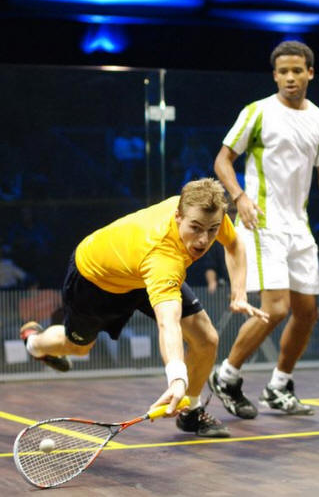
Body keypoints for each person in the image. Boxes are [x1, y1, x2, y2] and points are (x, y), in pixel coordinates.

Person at [20, 178, 268, 437]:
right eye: (195, 228)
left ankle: (191, 412)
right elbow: (168, 322)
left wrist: (239, 293)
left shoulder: (205, 211)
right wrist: (177, 378)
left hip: (141, 272)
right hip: (96, 280)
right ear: (178, 216)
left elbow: (234, 243)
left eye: (212, 230)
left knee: (206, 339)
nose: (203, 240)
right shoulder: (163, 256)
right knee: (78, 348)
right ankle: (34, 342)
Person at [208, 40, 319, 419]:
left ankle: (278, 386)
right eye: (283, 71)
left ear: (310, 73)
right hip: (261, 224)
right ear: (275, 75)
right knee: (275, 309)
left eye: (297, 71)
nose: (290, 78)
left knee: (307, 313)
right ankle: (226, 375)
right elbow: (223, 160)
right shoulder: (257, 112)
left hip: (298, 229)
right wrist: (239, 196)